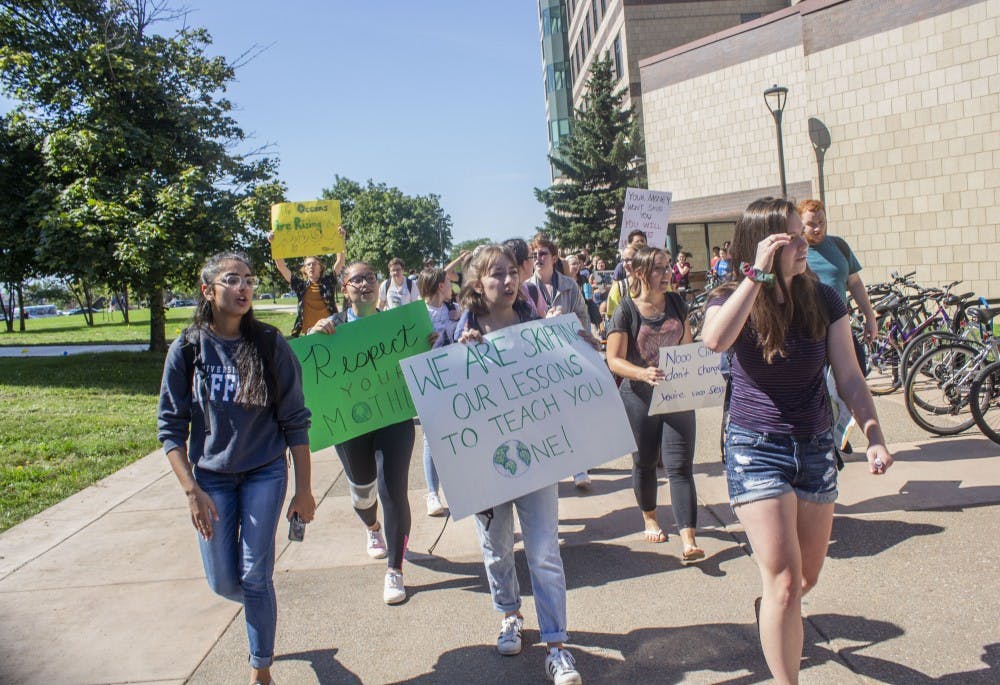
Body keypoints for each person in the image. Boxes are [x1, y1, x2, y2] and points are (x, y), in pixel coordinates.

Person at [701, 197, 893, 685]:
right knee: (786, 582)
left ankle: (772, 609)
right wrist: (756, 275)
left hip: (814, 444)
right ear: (763, 243)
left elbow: (849, 375)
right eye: (789, 236)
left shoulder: (823, 297)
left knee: (805, 578)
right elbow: (715, 340)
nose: (803, 242)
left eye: (800, 233)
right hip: (755, 446)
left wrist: (873, 434)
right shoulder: (731, 295)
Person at [157, 251, 316, 685]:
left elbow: (296, 420)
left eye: (249, 280)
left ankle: (260, 669)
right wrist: (191, 490)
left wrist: (304, 490)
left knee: (255, 575)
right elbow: (170, 428)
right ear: (208, 290)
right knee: (224, 581)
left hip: (265, 471)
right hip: (211, 480)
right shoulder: (188, 348)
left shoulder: (269, 343)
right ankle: (262, 611)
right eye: (232, 279)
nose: (244, 287)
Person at [455, 244, 584, 685]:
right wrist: (459, 352)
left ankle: (557, 645)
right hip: (484, 463)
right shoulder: (461, 330)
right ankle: (510, 614)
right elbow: (441, 393)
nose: (508, 281)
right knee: (496, 549)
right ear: (478, 283)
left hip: (536, 457)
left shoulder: (535, 325)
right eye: (496, 274)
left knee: (544, 550)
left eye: (512, 272)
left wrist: (569, 339)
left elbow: (569, 372)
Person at [309, 261, 430, 604]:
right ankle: (372, 527)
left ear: (379, 286)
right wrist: (313, 338)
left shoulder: (398, 325)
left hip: (393, 420)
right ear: (344, 288)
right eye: (356, 279)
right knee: (363, 493)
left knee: (393, 491)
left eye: (370, 278)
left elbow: (420, 358)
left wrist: (427, 343)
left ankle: (395, 569)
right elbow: (310, 369)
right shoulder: (330, 328)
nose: (365, 284)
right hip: (351, 426)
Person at [605, 247, 703, 560]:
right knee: (645, 462)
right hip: (638, 397)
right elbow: (613, 360)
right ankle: (650, 518)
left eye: (668, 267)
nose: (667, 273)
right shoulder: (626, 310)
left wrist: (693, 371)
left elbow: (687, 345)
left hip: (676, 394)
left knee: (680, 466)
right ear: (640, 273)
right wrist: (642, 373)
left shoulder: (676, 302)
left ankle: (688, 539)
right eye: (659, 268)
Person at [798, 199, 879, 452]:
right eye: (811, 224)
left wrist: (870, 316)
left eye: (821, 222)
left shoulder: (839, 246)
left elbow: (854, 283)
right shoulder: (797, 251)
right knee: (819, 387)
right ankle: (827, 435)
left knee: (854, 377)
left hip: (839, 328)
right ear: (800, 225)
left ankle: (840, 429)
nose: (817, 228)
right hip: (810, 333)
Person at [526, 234, 592, 490]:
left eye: (542, 254)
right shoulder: (526, 288)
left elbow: (583, 316)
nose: (538, 258)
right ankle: (551, 469)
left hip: (567, 358)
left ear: (554, 258)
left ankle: (579, 467)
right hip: (539, 362)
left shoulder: (569, 285)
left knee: (571, 413)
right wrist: (543, 322)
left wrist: (570, 325)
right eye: (534, 255)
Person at [417, 266, 460, 517]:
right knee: (430, 438)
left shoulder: (454, 310)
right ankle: (432, 493)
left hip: (454, 380)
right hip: (428, 382)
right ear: (440, 286)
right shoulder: (417, 315)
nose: (452, 286)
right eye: (448, 281)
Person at [268, 230, 345, 337]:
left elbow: (340, 261)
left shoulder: (329, 281)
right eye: (308, 265)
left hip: (330, 329)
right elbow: (281, 267)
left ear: (320, 267)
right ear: (304, 269)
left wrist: (341, 239)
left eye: (314, 264)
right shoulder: (300, 286)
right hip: (309, 333)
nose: (311, 266)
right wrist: (274, 243)